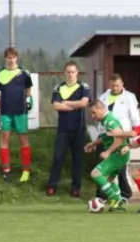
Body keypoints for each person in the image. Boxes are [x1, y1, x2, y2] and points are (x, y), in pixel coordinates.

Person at [47, 61, 91, 198]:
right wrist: (75, 106)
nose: (71, 74)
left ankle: (76, 188)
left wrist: (66, 103)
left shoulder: (83, 86)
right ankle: (52, 186)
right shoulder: (58, 87)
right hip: (63, 129)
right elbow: (56, 105)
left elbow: (84, 103)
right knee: (58, 158)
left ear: (77, 72)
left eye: (73, 71)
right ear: (64, 73)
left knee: (77, 159)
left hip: (79, 129)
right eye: (68, 72)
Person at [97, 73, 140, 203]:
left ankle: (125, 194)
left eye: (117, 85)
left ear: (122, 85)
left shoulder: (129, 97)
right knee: (102, 167)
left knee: (120, 168)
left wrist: (132, 140)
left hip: (121, 137)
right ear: (109, 85)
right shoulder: (103, 97)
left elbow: (136, 119)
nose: (115, 88)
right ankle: (102, 196)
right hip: (105, 137)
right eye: (112, 85)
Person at [0, 47, 33, 183]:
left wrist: (29, 102)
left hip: (20, 112)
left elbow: (28, 92)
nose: (11, 60)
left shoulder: (24, 73)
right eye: (9, 57)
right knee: (4, 138)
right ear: (5, 58)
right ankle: (6, 170)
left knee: (23, 139)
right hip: (5, 111)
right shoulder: (0, 74)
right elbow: (2, 94)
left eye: (13, 57)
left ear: (17, 58)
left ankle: (26, 170)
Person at [85, 100, 130, 211]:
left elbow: (120, 137)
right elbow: (108, 136)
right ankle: (119, 203)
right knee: (110, 179)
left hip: (118, 154)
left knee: (96, 174)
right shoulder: (106, 120)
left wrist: (108, 152)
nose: (92, 116)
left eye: (94, 112)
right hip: (120, 155)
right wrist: (94, 143)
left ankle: (116, 199)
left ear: (101, 109)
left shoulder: (109, 121)